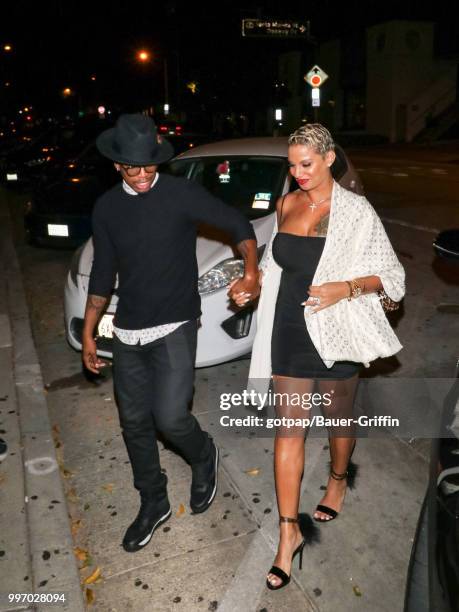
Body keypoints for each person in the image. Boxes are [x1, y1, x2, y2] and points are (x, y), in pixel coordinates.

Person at [83, 114, 258, 553]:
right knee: (133, 423)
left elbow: (238, 225)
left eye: (149, 167)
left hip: (176, 325)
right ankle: (153, 500)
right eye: (132, 168)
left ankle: (204, 456)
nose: (142, 176)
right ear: (117, 165)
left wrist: (251, 273)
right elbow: (102, 275)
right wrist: (89, 332)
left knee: (171, 418)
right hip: (128, 333)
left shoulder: (180, 194)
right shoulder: (106, 208)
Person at [247, 124, 405, 589]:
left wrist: (347, 287)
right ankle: (288, 533)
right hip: (289, 333)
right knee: (288, 431)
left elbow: (391, 275)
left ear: (329, 158)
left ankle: (338, 477)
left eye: (306, 164)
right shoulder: (286, 204)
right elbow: (279, 264)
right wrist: (252, 281)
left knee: (339, 420)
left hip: (337, 332)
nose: (296, 173)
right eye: (291, 165)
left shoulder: (356, 212)